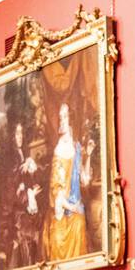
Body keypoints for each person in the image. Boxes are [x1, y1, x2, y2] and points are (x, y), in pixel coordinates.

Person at [46, 103, 89, 261]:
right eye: (60, 117)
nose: (61, 121)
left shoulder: (77, 148)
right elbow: (56, 191)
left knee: (79, 224)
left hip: (75, 206)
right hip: (63, 209)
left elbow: (84, 180)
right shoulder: (59, 151)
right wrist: (72, 207)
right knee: (58, 237)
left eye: (64, 117)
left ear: (71, 120)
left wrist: (88, 156)